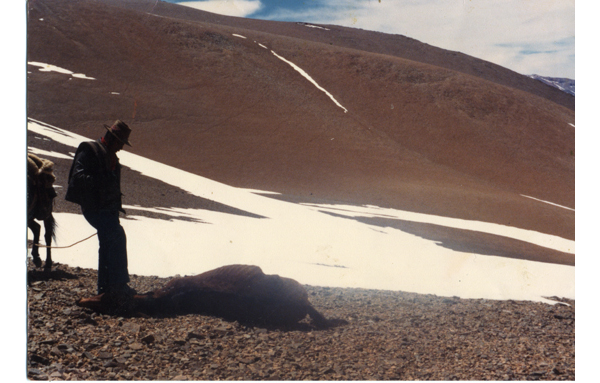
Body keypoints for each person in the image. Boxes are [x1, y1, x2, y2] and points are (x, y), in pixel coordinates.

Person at [65, 120, 135, 306]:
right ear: (112, 138)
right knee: (117, 235)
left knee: (107, 242)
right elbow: (78, 177)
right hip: (94, 208)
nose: (121, 147)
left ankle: (104, 290)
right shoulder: (89, 149)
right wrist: (103, 179)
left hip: (107, 210)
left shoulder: (111, 155)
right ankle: (118, 285)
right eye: (120, 142)